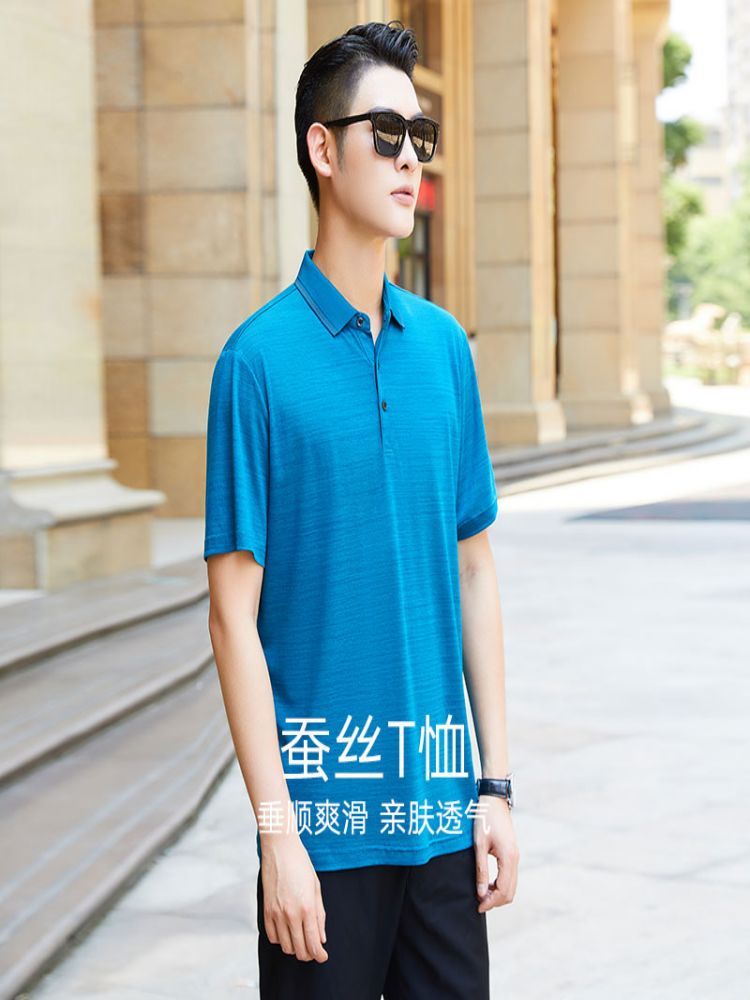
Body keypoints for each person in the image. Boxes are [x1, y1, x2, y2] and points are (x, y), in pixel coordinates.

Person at [204, 18, 518, 999]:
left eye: (420, 135)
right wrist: (277, 841)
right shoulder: (256, 364)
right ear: (322, 148)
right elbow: (232, 619)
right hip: (324, 836)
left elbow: (473, 569)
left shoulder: (446, 352)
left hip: (441, 826)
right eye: (386, 133)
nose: (410, 158)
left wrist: (496, 787)